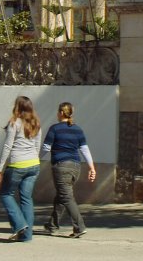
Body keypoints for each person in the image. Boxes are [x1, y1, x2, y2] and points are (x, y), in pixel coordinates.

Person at [41, 102, 96, 238]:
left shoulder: (54, 129)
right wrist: (91, 167)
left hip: (62, 166)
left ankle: (79, 227)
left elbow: (46, 148)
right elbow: (84, 149)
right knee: (62, 195)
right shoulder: (78, 129)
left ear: (61, 113)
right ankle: (53, 225)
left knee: (66, 196)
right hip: (76, 167)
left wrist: (36, 159)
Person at [0, 95, 42, 242]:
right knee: (26, 199)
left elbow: (8, 146)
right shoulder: (36, 123)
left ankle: (19, 225)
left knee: (5, 194)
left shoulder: (14, 123)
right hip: (34, 164)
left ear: (17, 107)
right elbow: (37, 145)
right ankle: (26, 236)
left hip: (17, 165)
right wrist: (34, 159)